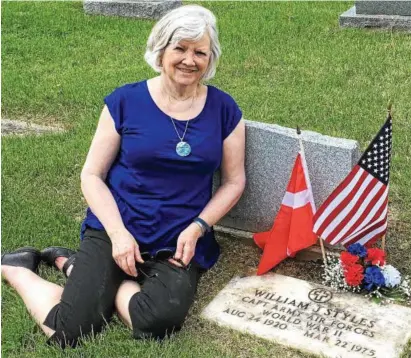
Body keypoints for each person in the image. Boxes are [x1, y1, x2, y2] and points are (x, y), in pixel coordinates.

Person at [1, 4, 245, 348]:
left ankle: (74, 267)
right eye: (180, 48)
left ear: (211, 58)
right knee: (70, 331)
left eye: (200, 52)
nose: (190, 60)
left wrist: (199, 226)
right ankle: (16, 269)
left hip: (180, 235)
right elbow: (91, 175)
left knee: (159, 319)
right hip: (117, 224)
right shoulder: (125, 101)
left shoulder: (224, 109)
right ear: (160, 50)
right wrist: (117, 235)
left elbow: (235, 181)